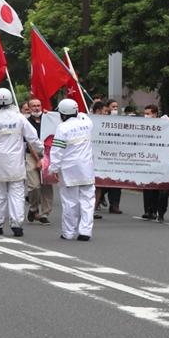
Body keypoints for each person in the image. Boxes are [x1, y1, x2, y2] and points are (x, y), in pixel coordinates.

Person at [0, 88, 42, 237]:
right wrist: (41, 150)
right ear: (11, 101)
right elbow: (32, 138)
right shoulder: (19, 118)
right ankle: (16, 225)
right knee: (17, 195)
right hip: (15, 164)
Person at [49, 98, 95, 241]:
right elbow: (84, 115)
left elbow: (57, 150)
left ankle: (68, 232)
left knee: (70, 202)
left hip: (69, 170)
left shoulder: (62, 128)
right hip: (86, 169)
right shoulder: (87, 124)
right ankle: (85, 232)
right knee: (87, 201)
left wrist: (53, 168)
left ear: (62, 114)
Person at [24, 97, 53, 224]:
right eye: (33, 106)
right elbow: (30, 143)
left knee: (47, 184)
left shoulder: (48, 119)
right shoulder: (26, 122)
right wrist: (38, 159)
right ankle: (33, 208)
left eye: (38, 105)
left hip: (47, 154)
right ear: (29, 108)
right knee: (34, 185)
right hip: (32, 155)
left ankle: (45, 213)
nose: (37, 108)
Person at [140, 104, 169, 221]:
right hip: (146, 159)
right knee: (146, 186)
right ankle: (148, 210)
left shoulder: (163, 125)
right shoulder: (142, 127)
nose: (146, 116)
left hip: (159, 159)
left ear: (155, 114)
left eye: (148, 114)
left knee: (156, 187)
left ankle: (156, 210)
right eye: (145, 113)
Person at [99, 99, 123, 215]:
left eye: (117, 107)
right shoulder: (99, 121)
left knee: (116, 182)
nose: (115, 109)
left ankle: (114, 205)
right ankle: (98, 200)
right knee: (102, 182)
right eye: (113, 107)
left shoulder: (120, 121)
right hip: (102, 156)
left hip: (116, 156)